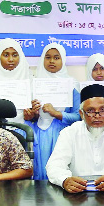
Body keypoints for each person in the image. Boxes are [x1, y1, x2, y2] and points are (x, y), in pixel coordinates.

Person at [46, 84, 104, 193]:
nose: (97, 116)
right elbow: (54, 165)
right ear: (81, 113)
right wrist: (65, 180)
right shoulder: (69, 133)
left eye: (103, 110)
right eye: (90, 111)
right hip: (78, 195)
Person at [25, 43, 81, 180]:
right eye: (48, 57)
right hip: (38, 134)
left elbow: (79, 116)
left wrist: (57, 113)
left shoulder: (72, 85)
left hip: (63, 134)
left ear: (63, 60)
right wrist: (33, 113)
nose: (51, 61)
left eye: (56, 58)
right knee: (39, 171)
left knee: (61, 173)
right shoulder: (33, 83)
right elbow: (29, 116)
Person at [0, 38, 32, 125]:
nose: (11, 59)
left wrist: (32, 115)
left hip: (23, 129)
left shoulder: (29, 79)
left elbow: (36, 114)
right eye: (6, 55)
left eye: (15, 55)